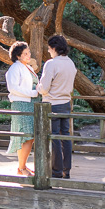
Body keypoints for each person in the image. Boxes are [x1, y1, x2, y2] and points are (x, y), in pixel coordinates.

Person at [37, 35, 77, 179]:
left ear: (54, 48)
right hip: (66, 103)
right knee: (65, 136)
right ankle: (67, 170)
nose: (48, 51)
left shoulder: (51, 64)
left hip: (52, 104)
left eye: (49, 48)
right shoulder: (70, 63)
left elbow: (44, 88)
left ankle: (56, 171)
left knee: (54, 138)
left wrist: (37, 87)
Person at [5, 41, 39, 176]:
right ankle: (21, 168)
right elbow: (13, 88)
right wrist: (33, 93)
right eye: (25, 53)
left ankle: (22, 166)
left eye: (28, 52)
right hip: (22, 104)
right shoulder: (15, 68)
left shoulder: (28, 67)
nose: (28, 55)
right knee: (26, 136)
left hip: (31, 104)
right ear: (18, 56)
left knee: (30, 137)